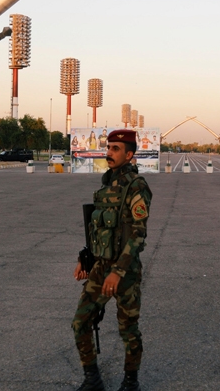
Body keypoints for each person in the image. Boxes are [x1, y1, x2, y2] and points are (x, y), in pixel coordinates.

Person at [72, 129, 152, 391]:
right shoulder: (106, 186)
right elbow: (98, 230)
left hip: (124, 272)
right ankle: (92, 379)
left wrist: (117, 272)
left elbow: (138, 236)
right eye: (108, 148)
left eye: (115, 149)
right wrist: (85, 259)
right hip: (101, 267)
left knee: (128, 330)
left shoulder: (136, 187)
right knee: (80, 322)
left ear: (129, 155)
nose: (109, 153)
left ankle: (131, 383)